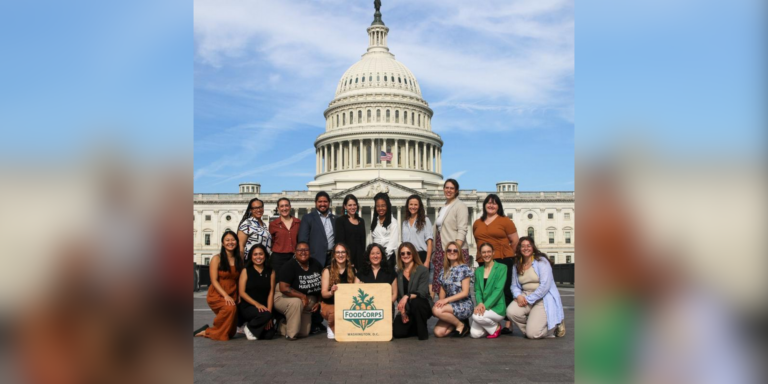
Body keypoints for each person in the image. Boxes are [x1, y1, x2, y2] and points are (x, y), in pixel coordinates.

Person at [472, 193, 519, 334]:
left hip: (502, 259)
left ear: (498, 206)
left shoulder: (505, 221)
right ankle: (492, 320)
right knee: (487, 290)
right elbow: (478, 241)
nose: (491, 205)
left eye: (494, 203)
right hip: (484, 260)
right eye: (489, 202)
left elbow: (515, 240)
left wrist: (509, 255)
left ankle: (508, 323)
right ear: (484, 205)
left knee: (505, 291)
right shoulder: (477, 223)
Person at [506, 236, 566, 339]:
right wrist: (518, 295)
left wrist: (529, 299)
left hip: (543, 298)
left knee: (533, 334)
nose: (526, 248)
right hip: (525, 295)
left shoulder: (542, 262)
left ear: (533, 247)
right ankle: (531, 329)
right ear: (519, 248)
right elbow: (514, 285)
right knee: (511, 312)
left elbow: (545, 286)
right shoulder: (517, 264)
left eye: (529, 246)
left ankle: (554, 326)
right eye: (523, 246)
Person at [297, 191, 335, 333]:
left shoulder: (334, 218)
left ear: (329, 203)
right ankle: (314, 321)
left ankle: (324, 319)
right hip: (314, 258)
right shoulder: (308, 218)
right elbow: (303, 239)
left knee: (328, 289)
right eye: (320, 201)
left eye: (325, 202)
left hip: (331, 258)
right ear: (315, 203)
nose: (323, 204)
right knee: (313, 288)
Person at [195, 231, 243, 340]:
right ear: (222, 243)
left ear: (237, 242)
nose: (230, 242)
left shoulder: (239, 259)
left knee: (230, 332)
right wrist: (225, 295)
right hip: (218, 294)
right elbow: (214, 280)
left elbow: (239, 279)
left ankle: (212, 330)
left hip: (233, 293)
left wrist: (239, 295)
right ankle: (207, 331)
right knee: (230, 309)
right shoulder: (217, 258)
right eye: (227, 240)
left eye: (233, 240)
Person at [274, 242, 323, 340]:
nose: (303, 252)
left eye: (306, 250)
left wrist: (319, 301)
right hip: (284, 296)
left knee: (304, 333)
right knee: (296, 302)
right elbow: (283, 288)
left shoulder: (315, 264)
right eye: (300, 250)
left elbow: (321, 284)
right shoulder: (289, 266)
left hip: (306, 299)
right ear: (295, 252)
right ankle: (291, 335)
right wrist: (302, 296)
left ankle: (281, 326)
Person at [432, 178, 470, 295]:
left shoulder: (460, 206)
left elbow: (462, 229)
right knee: (442, 283)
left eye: (452, 188)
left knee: (454, 285)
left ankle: (455, 311)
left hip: (454, 250)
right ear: (443, 189)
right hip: (441, 249)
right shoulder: (444, 207)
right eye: (446, 187)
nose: (448, 190)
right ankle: (442, 309)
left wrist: (455, 250)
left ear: (456, 190)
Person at [432, 241, 474, 338]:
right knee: (439, 332)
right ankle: (460, 322)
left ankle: (460, 325)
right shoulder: (444, 270)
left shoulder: (464, 269)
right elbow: (442, 290)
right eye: (449, 250)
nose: (452, 252)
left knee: (437, 310)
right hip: (451, 305)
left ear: (459, 253)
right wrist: (441, 301)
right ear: (446, 253)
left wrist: (446, 300)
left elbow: (465, 292)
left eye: (455, 250)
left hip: (464, 304)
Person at [393, 242, 433, 340]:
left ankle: (423, 333)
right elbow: (398, 296)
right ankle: (415, 324)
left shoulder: (422, 270)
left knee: (416, 303)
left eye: (408, 253)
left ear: (413, 254)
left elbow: (423, 292)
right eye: (403, 253)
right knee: (397, 333)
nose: (405, 255)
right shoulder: (398, 273)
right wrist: (402, 313)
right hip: (407, 308)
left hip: (422, 304)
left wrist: (407, 296)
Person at [237, 244, 276, 340]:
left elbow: (271, 293)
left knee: (269, 335)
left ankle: (254, 326)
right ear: (251, 256)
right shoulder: (246, 271)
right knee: (264, 315)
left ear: (265, 255)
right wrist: (257, 304)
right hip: (248, 306)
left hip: (264, 309)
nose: (258, 257)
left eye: (260, 254)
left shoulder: (271, 271)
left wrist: (269, 315)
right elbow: (242, 292)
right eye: (255, 254)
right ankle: (248, 327)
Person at [470, 243, 508, 338]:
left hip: (497, 307)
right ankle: (490, 326)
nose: (486, 254)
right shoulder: (478, 270)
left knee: (475, 316)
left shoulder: (502, 267)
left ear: (493, 252)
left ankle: (496, 327)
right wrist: (479, 303)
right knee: (475, 334)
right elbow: (477, 290)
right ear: (480, 254)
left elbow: (498, 290)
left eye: (488, 252)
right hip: (482, 306)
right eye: (483, 252)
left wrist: (484, 306)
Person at [320, 243, 356, 339]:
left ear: (347, 255)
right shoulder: (327, 270)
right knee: (335, 311)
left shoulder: (353, 270)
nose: (340, 255)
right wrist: (331, 292)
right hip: (330, 304)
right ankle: (331, 326)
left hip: (347, 304)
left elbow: (356, 289)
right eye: (338, 252)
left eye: (343, 252)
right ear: (334, 255)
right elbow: (323, 293)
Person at [401, 194, 434, 296]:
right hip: (408, 257)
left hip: (421, 256)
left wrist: (427, 260)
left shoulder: (425, 220)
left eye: (415, 204)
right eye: (411, 204)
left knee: (423, 287)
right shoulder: (405, 222)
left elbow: (429, 241)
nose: (413, 207)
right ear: (408, 206)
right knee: (410, 285)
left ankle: (425, 308)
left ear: (419, 206)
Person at [334, 194, 366, 270]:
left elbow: (363, 242)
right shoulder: (340, 221)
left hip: (360, 259)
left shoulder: (361, 221)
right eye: (350, 205)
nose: (352, 207)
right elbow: (340, 242)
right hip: (347, 259)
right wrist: (347, 260)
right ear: (345, 206)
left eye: (354, 205)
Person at [269, 197, 301, 273]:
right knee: (278, 281)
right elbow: (271, 240)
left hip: (294, 257)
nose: (284, 208)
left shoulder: (298, 223)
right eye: (282, 206)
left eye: (286, 206)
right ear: (278, 208)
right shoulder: (273, 224)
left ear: (290, 207)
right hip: (278, 258)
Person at [371, 192, 398, 270]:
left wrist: (382, 256)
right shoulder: (375, 221)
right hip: (375, 257)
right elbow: (372, 240)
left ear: (387, 206)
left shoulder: (393, 221)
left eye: (383, 206)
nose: (380, 208)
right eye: (378, 206)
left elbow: (393, 243)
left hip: (388, 258)